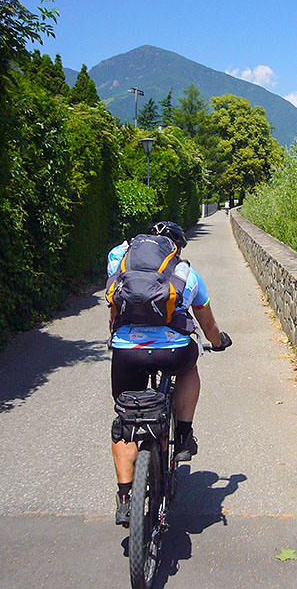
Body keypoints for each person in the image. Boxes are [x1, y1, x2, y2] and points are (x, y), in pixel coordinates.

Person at [107, 220, 231, 526]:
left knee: (126, 419)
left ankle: (125, 499)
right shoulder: (187, 273)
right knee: (190, 365)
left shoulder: (120, 262)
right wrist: (219, 342)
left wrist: (117, 339)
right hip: (172, 351)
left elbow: (113, 306)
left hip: (127, 351)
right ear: (176, 249)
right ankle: (184, 434)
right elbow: (208, 325)